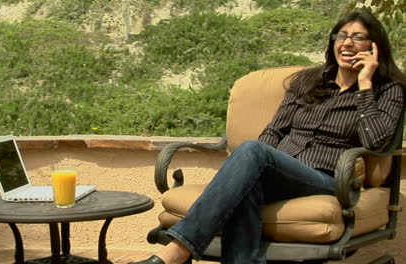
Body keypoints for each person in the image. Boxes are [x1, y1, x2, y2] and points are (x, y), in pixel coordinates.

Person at [131, 10, 406, 264]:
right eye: (342, 36)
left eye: (359, 37)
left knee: (253, 151)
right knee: (249, 180)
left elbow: (375, 142)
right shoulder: (308, 81)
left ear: (375, 46)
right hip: (281, 169)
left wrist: (365, 85)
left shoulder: (388, 89)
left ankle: (177, 251)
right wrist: (251, 169)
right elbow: (275, 130)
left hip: (328, 178)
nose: (347, 43)